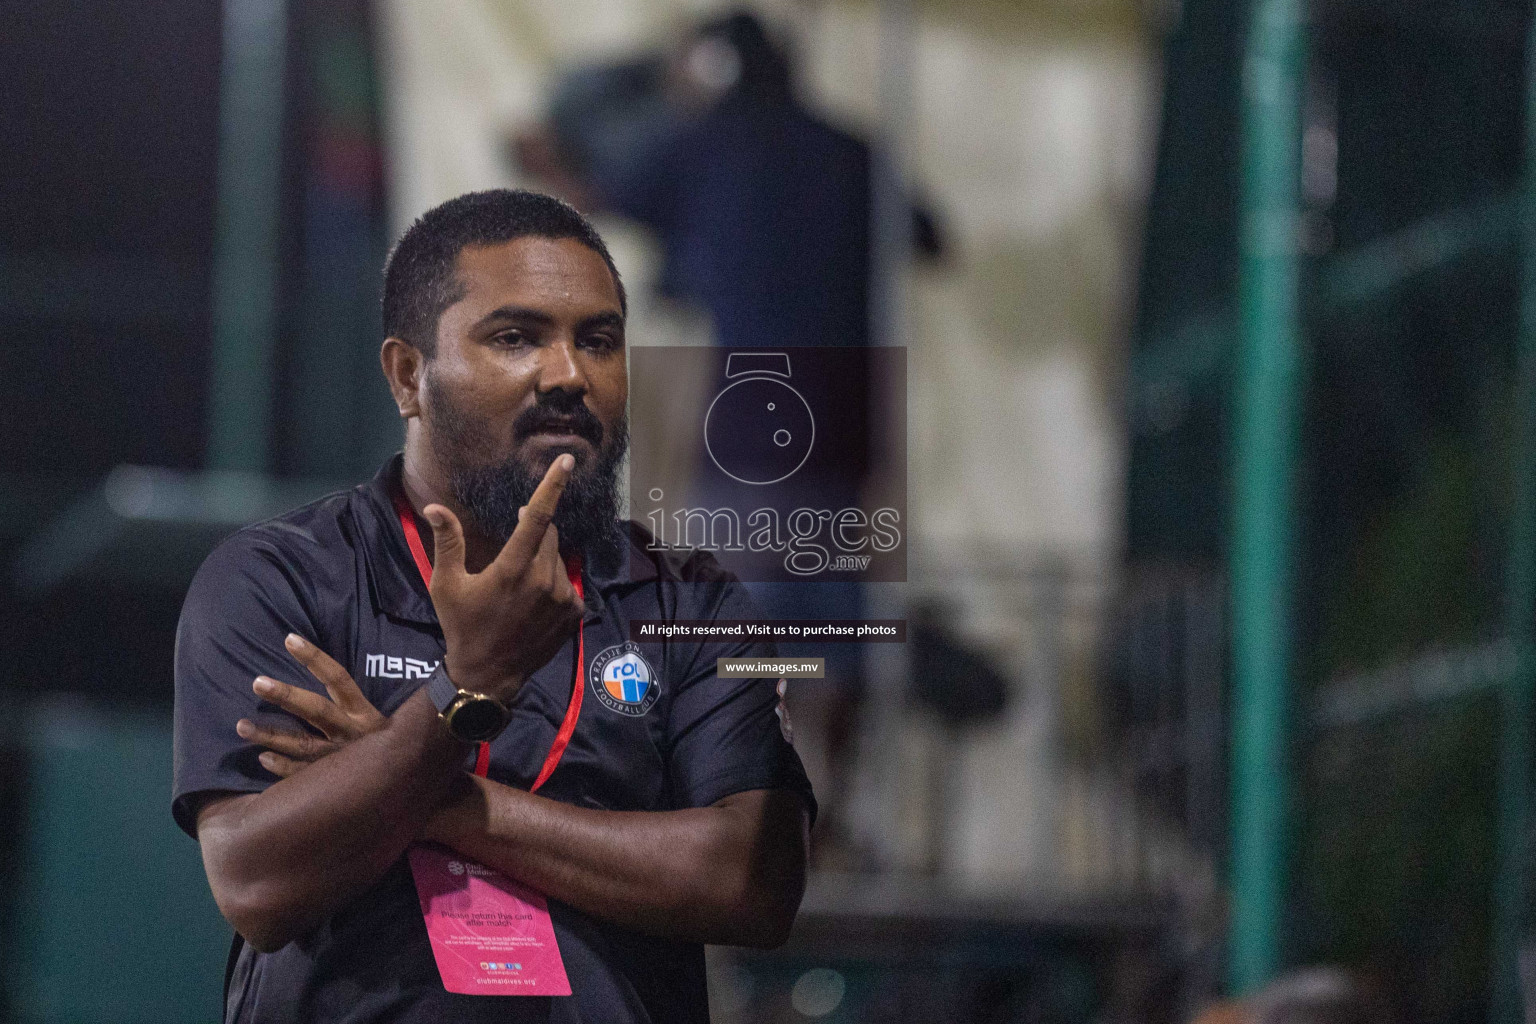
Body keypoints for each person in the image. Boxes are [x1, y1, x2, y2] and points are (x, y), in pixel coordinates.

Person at [172, 189, 816, 1023]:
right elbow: (256, 884)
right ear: (409, 375)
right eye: (515, 337)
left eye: (600, 340)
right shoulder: (282, 578)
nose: (569, 375)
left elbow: (752, 884)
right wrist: (472, 683)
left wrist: (429, 793)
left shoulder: (694, 602)